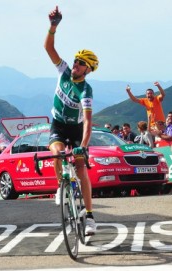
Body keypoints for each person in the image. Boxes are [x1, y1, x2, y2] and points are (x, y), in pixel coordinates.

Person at [45, 6, 97, 235]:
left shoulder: (86, 90)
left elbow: (87, 121)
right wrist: (53, 26)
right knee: (56, 152)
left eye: (80, 63)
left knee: (80, 168)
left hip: (76, 129)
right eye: (75, 61)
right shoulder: (64, 71)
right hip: (57, 123)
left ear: (87, 69)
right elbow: (48, 47)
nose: (75, 64)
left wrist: (83, 148)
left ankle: (90, 216)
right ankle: (60, 186)